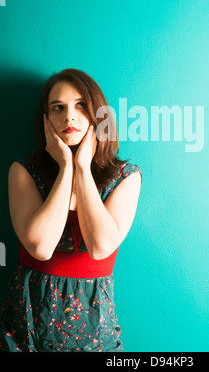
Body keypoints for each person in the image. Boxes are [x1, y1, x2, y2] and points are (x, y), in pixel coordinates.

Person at [0, 68, 142, 352]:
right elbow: (39, 247)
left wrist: (82, 168)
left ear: (98, 116)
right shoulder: (23, 171)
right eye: (58, 108)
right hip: (26, 326)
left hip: (93, 330)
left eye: (80, 106)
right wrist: (66, 167)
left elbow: (100, 247)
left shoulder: (126, 176)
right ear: (46, 119)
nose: (69, 117)